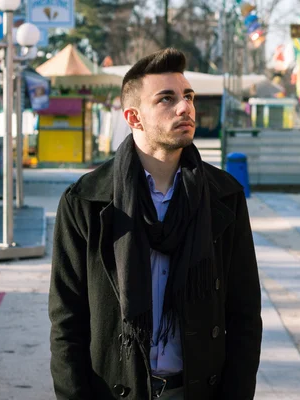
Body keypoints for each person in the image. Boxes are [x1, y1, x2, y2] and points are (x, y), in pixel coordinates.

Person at [49, 48, 262, 400]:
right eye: (167, 99)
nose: (185, 107)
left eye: (188, 96)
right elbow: (66, 325)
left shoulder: (224, 197)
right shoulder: (85, 201)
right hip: (116, 390)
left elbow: (244, 315)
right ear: (134, 118)